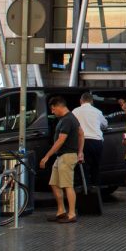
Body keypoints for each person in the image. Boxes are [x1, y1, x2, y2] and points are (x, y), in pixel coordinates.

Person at [40, 96, 84, 224]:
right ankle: (61, 211)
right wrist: (80, 152)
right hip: (62, 156)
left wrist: (47, 156)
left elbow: (61, 140)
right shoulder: (70, 119)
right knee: (54, 183)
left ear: (60, 106)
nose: (53, 112)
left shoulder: (68, 120)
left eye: (53, 109)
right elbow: (81, 134)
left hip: (67, 156)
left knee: (67, 185)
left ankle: (71, 214)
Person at [72, 92, 107, 187]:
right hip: (97, 141)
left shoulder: (75, 111)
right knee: (96, 166)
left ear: (80, 101)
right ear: (91, 101)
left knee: (83, 167)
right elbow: (105, 124)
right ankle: (96, 189)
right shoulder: (97, 111)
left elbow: (71, 126)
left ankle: (86, 189)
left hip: (82, 142)